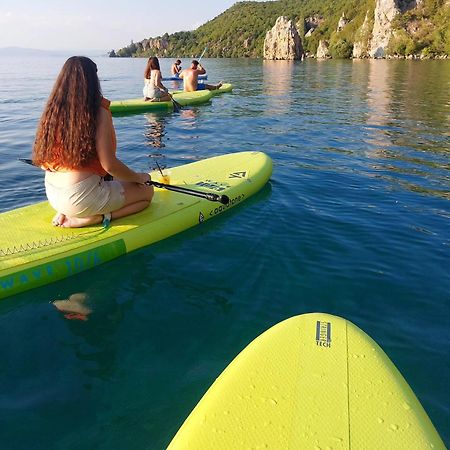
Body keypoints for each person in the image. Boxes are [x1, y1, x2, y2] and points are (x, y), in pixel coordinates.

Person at [33, 56, 154, 228]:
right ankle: (98, 217)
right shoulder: (98, 112)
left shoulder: (53, 111)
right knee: (147, 193)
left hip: (53, 195)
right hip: (80, 198)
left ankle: (73, 211)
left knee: (108, 183)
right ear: (92, 80)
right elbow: (109, 165)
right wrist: (139, 178)